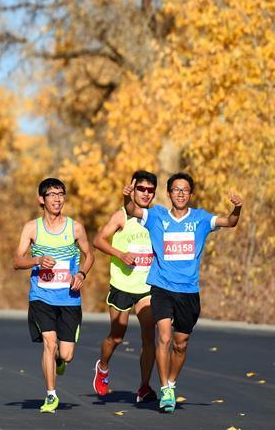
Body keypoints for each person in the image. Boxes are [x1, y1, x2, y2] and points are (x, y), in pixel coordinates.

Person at [122, 172, 242, 413]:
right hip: (162, 287)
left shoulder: (200, 219)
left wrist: (237, 208)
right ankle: (165, 389)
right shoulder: (156, 216)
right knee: (164, 337)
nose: (180, 193)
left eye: (184, 190)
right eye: (176, 189)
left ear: (190, 194)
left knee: (180, 344)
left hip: (188, 291)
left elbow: (229, 222)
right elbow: (132, 210)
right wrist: (126, 197)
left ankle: (172, 381)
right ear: (169, 193)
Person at [13, 178, 94, 413]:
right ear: (41, 199)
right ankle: (51, 395)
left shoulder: (75, 228)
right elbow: (16, 261)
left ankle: (60, 361)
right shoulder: (32, 228)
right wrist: (37, 260)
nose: (58, 199)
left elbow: (89, 256)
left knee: (66, 354)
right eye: (52, 194)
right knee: (49, 343)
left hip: (69, 298)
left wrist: (81, 274)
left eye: (61, 194)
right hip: (41, 297)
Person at [92, 170, 157, 403]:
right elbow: (98, 240)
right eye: (141, 189)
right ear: (133, 188)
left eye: (150, 190)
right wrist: (121, 254)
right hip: (121, 285)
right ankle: (103, 366)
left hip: (146, 287)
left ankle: (144, 386)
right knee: (117, 337)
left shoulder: (157, 218)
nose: (146, 194)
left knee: (150, 337)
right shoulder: (121, 216)